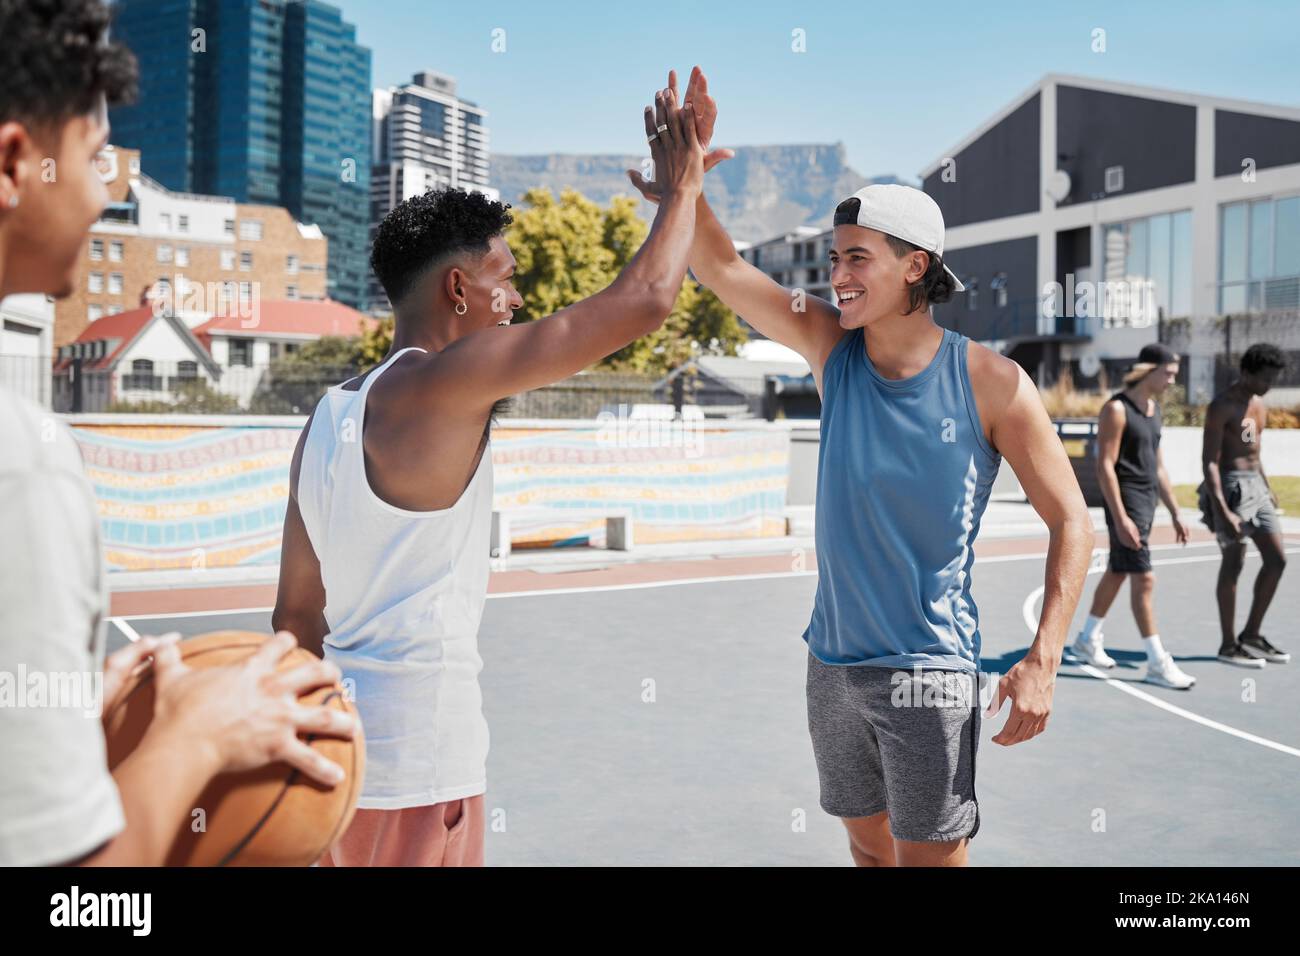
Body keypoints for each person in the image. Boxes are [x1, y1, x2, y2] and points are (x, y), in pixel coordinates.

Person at [628, 67, 1094, 867]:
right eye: (833, 257)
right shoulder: (828, 346)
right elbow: (723, 269)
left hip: (927, 672)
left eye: (856, 257)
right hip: (832, 666)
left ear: (915, 266)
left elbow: (1072, 520)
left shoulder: (993, 383)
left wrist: (1043, 657)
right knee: (868, 852)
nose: (836, 274)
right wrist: (686, 183)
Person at [272, 87, 706, 866]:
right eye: (504, 277)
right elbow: (644, 301)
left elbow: (296, 617)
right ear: (456, 289)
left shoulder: (327, 418)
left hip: (346, 772)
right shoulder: (446, 381)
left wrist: (308, 761)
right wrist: (684, 190)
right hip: (422, 771)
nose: (518, 298)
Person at [0, 0, 355, 867]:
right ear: (14, 164)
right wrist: (197, 738)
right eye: (95, 158)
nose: (106, 193)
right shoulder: (22, 466)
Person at [1070, 344, 1197, 689]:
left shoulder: (1154, 410)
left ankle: (1087, 639)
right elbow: (1105, 466)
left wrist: (1175, 512)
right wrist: (1121, 517)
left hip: (1146, 503)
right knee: (1145, 579)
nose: (1172, 380)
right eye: (1168, 373)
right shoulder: (1116, 409)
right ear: (1148, 370)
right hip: (1124, 504)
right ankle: (1157, 662)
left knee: (1118, 571)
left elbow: (1159, 467)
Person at [1197, 343, 1289, 666]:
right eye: (1264, 378)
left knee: (1277, 560)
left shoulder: (1259, 405)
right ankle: (1228, 644)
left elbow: (1254, 452)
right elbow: (1209, 462)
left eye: (1273, 379)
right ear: (1246, 372)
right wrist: (1222, 509)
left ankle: (1251, 634)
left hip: (1256, 487)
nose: (1269, 385)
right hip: (1230, 487)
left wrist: (1267, 487)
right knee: (1233, 563)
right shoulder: (1221, 406)